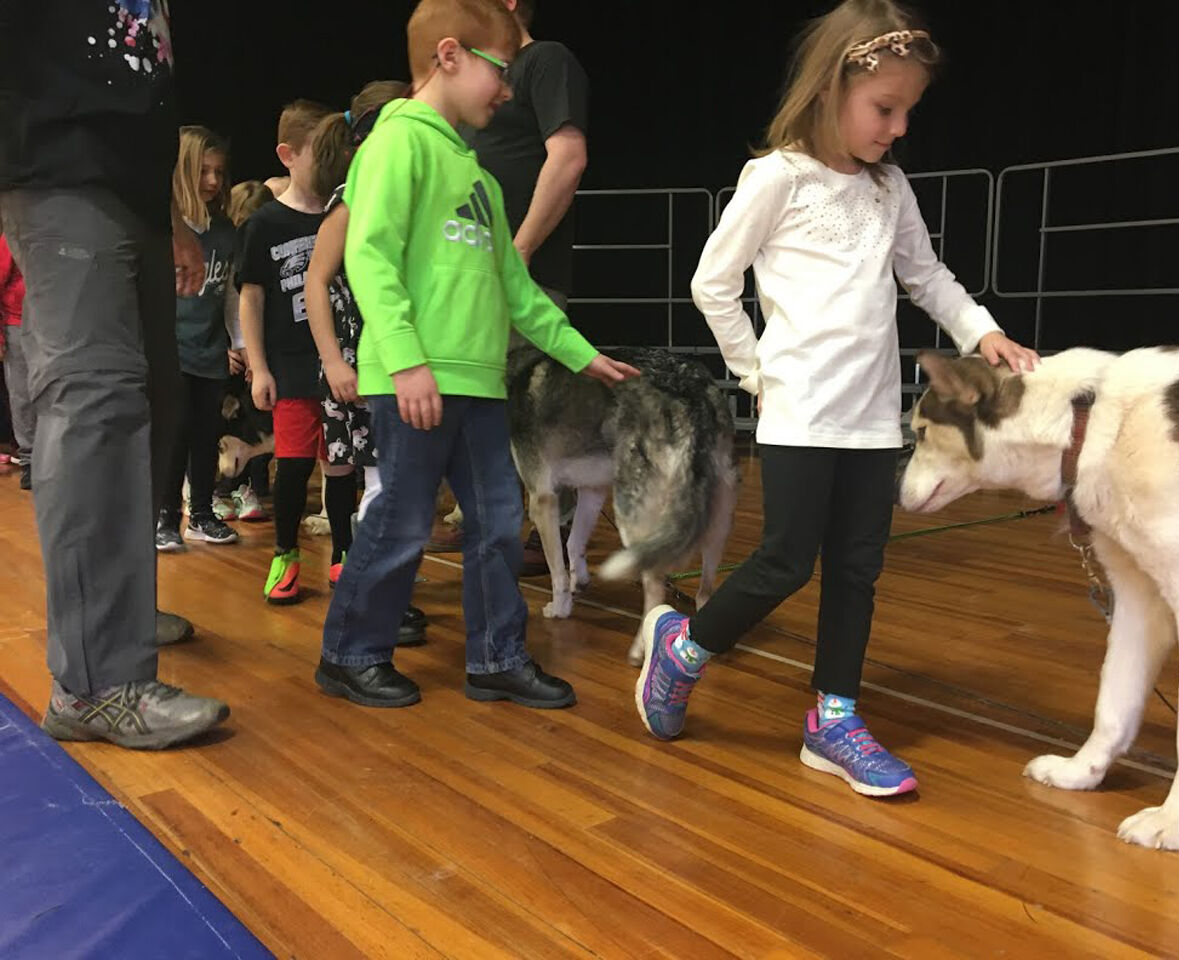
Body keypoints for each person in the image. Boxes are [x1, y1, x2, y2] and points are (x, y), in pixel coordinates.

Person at [635, 0, 1039, 796]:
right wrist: (756, 372)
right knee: (784, 561)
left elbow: (927, 277)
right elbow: (712, 283)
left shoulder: (890, 190)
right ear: (830, 89)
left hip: (869, 418)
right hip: (799, 413)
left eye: (908, 111)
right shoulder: (778, 178)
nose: (898, 128)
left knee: (858, 569)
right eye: (885, 108)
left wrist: (980, 332)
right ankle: (682, 651)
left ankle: (833, 719)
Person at [316, 0, 639, 709]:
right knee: (401, 523)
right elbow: (368, 259)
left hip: (481, 382)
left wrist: (584, 357)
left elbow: (517, 292)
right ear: (450, 56)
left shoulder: (481, 178)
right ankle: (350, 652)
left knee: (496, 524)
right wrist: (404, 361)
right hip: (416, 380)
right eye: (502, 70)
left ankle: (497, 656)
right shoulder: (397, 144)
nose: (509, 88)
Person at [0, 0, 228, 747]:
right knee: (95, 398)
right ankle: (96, 681)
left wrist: (169, 219)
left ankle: (118, 611)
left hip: (130, 187)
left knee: (155, 399)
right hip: (53, 165)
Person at [455, 0, 590, 573]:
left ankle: (546, 537)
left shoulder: (545, 60)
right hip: (472, 277)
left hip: (523, 278)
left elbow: (568, 156)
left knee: (534, 410)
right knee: (489, 410)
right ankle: (496, 526)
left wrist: (520, 251)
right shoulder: (473, 81)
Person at [303, 80, 429, 644]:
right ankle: (368, 605)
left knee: (392, 483)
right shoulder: (351, 199)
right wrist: (334, 361)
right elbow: (316, 281)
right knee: (380, 486)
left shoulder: (387, 193)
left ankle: (385, 596)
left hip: (386, 355)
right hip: (356, 361)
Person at [239, 100, 359, 604]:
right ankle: (285, 554)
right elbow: (252, 295)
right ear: (288, 155)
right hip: (288, 365)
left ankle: (344, 555)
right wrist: (258, 366)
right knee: (290, 466)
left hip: (340, 361)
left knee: (340, 464)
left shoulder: (344, 214)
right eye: (318, 152)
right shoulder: (265, 223)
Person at [155, 126, 240, 551]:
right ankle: (165, 516)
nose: (212, 181)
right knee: (174, 434)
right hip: (172, 353)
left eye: (219, 173)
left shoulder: (225, 233)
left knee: (207, 435)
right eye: (203, 171)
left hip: (211, 353)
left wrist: (239, 343)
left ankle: (201, 514)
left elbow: (230, 296)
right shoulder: (162, 233)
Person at [212, 179, 276, 523]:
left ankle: (249, 487)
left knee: (259, 415)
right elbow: (214, 307)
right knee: (224, 422)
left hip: (258, 353)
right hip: (225, 354)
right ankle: (216, 490)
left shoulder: (267, 255)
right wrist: (226, 348)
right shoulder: (221, 256)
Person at [0, 233, 32, 491]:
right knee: (22, 395)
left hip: (56, 327)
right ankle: (31, 462)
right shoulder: (10, 239)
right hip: (17, 325)